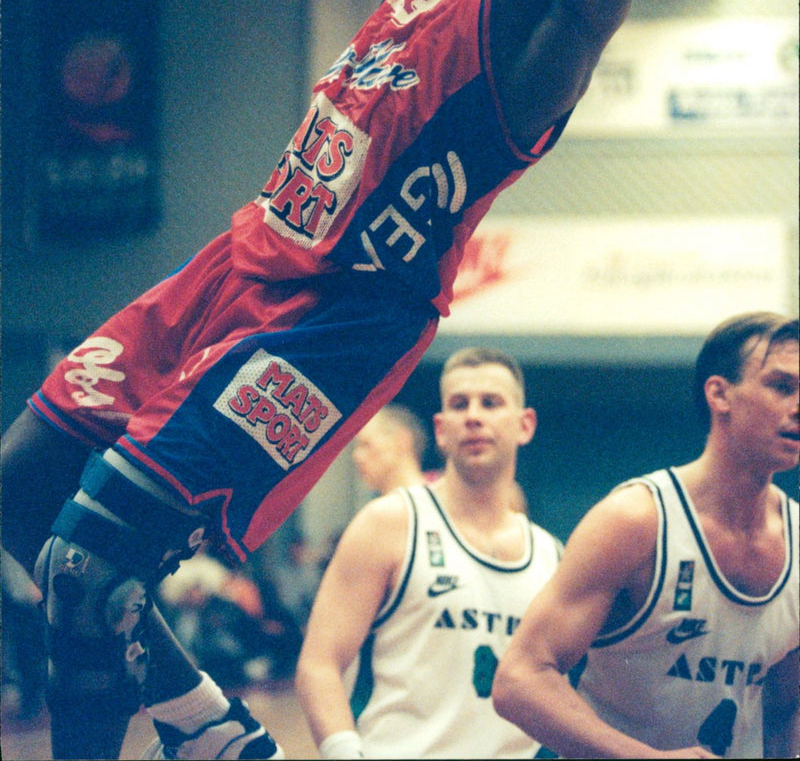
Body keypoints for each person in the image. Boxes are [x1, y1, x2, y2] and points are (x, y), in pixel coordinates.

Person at [0, 0, 709, 761]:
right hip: (236, 262)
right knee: (22, 492)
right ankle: (205, 729)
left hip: (338, 316)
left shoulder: (557, 7)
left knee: (93, 563)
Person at [492, 313, 800, 760]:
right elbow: (519, 680)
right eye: (781, 386)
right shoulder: (635, 520)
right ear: (719, 394)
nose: (798, 405)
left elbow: (785, 703)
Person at [295, 346, 561, 759]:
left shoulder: (551, 555)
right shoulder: (388, 523)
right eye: (459, 404)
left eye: (490, 403)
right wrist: (343, 753)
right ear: (440, 429)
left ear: (525, 425)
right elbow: (319, 663)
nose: (473, 415)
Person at [351, 405, 428, 496]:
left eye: (367, 445)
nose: (357, 456)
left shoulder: (443, 500)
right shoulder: (376, 507)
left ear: (402, 441)